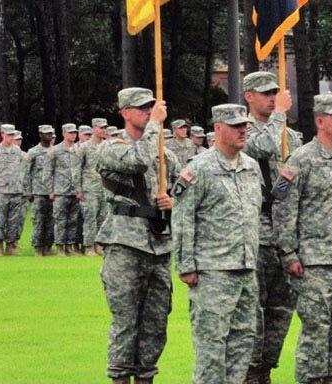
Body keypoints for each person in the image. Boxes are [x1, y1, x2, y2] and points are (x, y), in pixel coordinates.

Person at [274, 93, 332, 384]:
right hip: (315, 260)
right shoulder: (301, 159)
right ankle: (313, 379)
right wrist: (288, 253)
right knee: (317, 326)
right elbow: (284, 208)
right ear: (320, 121)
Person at [172, 103, 262, 384]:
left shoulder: (251, 167)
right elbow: (183, 218)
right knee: (211, 348)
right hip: (213, 271)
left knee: (243, 343)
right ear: (218, 128)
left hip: (246, 268)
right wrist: (186, 265)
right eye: (236, 126)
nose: (242, 131)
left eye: (245, 125)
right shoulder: (199, 169)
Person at [97, 87, 177, 384]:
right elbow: (136, 161)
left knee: (156, 323)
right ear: (125, 112)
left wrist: (172, 203)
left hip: (159, 245)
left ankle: (145, 377)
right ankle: (120, 377)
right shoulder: (111, 147)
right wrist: (156, 124)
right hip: (125, 244)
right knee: (126, 321)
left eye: (150, 107)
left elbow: (183, 193)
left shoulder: (165, 155)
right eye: (142, 108)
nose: (148, 112)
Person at [241, 70, 303, 384]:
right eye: (266, 93)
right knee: (254, 308)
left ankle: (266, 368)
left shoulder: (290, 136)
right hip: (256, 230)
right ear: (249, 96)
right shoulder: (242, 130)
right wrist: (279, 115)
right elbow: (262, 148)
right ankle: (251, 371)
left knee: (281, 309)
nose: (272, 98)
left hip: (285, 231)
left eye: (275, 93)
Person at [0, 124, 27, 256]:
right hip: (0, 191)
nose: (11, 137)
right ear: (3, 135)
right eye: (9, 135)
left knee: (14, 221)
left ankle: (10, 246)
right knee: (0, 220)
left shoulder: (17, 151)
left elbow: (24, 169)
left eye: (12, 135)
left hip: (16, 191)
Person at [50, 123, 85, 255]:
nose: (73, 135)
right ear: (64, 133)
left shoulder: (79, 149)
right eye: (70, 133)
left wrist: (80, 189)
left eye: (75, 132)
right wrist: (50, 190)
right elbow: (48, 171)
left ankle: (70, 246)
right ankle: (60, 247)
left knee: (73, 220)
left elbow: (82, 169)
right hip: (60, 190)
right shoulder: (55, 150)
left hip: (75, 191)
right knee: (60, 220)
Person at [25, 125, 57, 256]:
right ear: (40, 135)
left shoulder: (56, 151)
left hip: (54, 192)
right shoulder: (33, 152)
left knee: (52, 221)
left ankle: (48, 246)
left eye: (50, 133)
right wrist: (28, 191)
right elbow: (26, 173)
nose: (49, 136)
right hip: (38, 192)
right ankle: (38, 247)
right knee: (38, 220)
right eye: (46, 133)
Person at [81, 118, 110, 254]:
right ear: (93, 128)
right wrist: (78, 189)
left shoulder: (107, 146)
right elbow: (77, 169)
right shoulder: (84, 147)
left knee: (103, 218)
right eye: (101, 128)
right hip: (89, 188)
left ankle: (99, 245)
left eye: (105, 128)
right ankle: (88, 246)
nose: (103, 130)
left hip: (105, 188)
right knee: (90, 217)